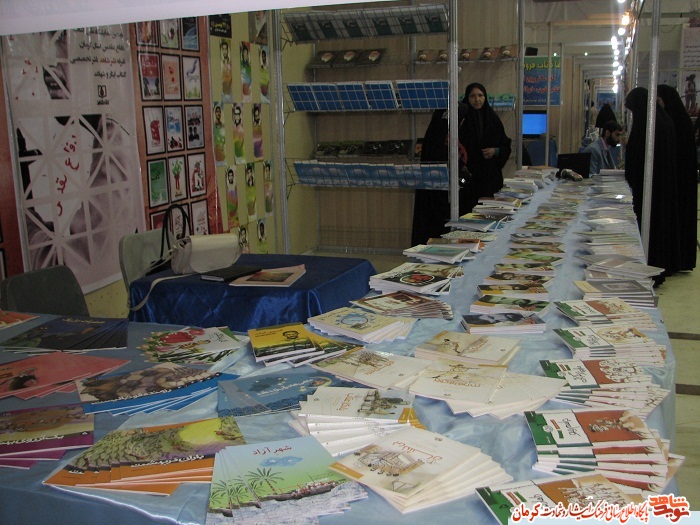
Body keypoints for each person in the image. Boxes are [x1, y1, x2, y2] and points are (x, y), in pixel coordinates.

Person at [624, 87, 682, 286]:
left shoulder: (647, 125)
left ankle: (652, 269)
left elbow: (636, 156)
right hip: (661, 185)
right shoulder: (663, 119)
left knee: (651, 227)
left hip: (650, 188)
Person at [656, 84, 697, 272]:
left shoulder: (675, 123)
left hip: (679, 181)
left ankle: (677, 259)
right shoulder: (678, 121)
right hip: (678, 180)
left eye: (659, 102)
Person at [459, 82, 512, 213]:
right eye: (472, 96)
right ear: (467, 98)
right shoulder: (461, 120)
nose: (477, 99)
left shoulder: (493, 119)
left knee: (490, 213)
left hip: (490, 178)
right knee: (468, 214)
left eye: (480, 95)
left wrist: (495, 151)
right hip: (468, 178)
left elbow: (505, 146)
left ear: (485, 97)